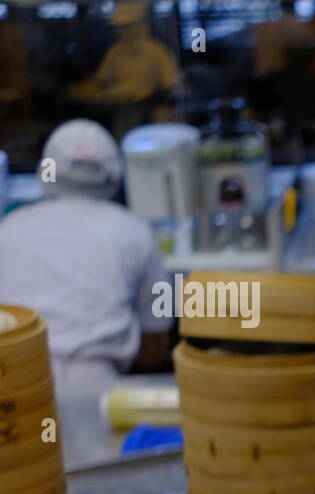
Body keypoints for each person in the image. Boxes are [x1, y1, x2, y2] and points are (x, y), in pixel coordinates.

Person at [0, 120, 172, 414]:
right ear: (115, 176)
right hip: (97, 394)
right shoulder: (136, 232)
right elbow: (154, 347)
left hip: (12, 388)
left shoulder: (8, 228)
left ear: (45, 171)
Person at [76, 4, 180, 136]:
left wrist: (151, 96)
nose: (122, 30)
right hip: (122, 110)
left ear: (140, 25)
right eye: (120, 26)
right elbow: (102, 79)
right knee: (123, 138)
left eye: (127, 25)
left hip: (153, 113)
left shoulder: (158, 52)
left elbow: (170, 86)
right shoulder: (114, 52)